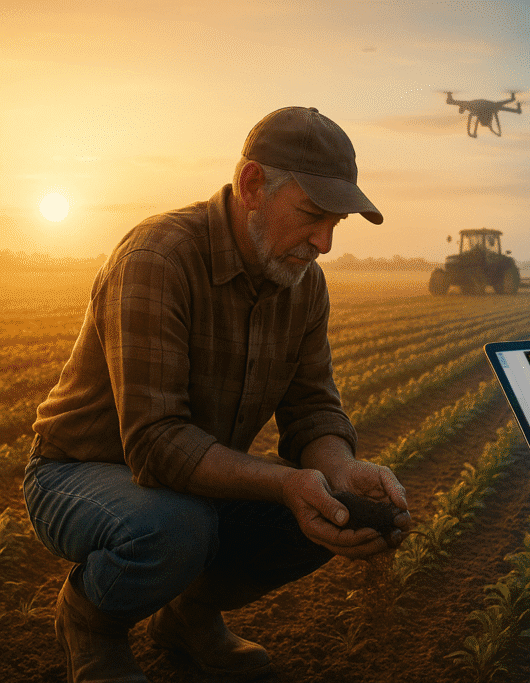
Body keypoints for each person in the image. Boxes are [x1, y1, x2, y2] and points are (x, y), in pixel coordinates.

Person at [22, 106, 411, 683]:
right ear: (252, 185)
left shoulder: (302, 283)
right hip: (79, 473)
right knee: (175, 527)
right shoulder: (159, 258)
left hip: (189, 477)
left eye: (336, 224)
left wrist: (339, 469)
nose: (324, 243)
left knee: (331, 508)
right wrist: (286, 482)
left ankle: (187, 615)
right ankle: (91, 623)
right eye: (311, 215)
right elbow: (155, 445)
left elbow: (312, 408)